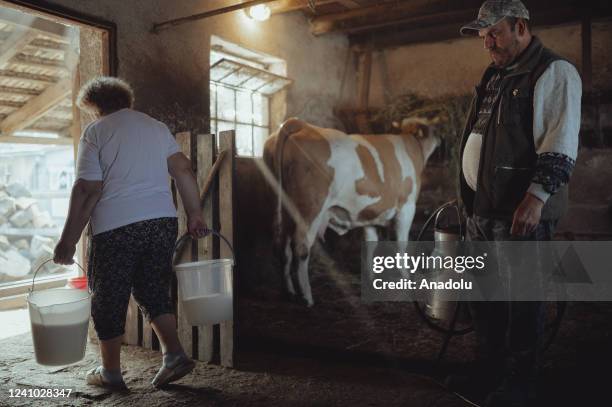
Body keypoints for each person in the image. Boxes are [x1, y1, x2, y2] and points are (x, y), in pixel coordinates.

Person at [456, 0, 581, 405]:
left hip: (518, 211)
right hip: (483, 209)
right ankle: (489, 370)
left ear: (521, 27)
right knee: (484, 297)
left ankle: (520, 382)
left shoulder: (553, 71)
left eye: (494, 32)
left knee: (522, 300)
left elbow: (559, 143)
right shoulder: (495, 74)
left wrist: (536, 197)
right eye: (483, 34)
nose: (486, 41)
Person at [53, 76, 207, 390]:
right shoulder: (156, 127)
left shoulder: (95, 131)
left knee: (108, 298)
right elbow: (183, 169)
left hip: (116, 226)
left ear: (95, 107)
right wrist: (194, 214)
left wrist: (67, 242)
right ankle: (174, 354)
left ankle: (110, 373)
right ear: (127, 100)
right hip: (161, 222)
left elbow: (87, 189)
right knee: (152, 289)